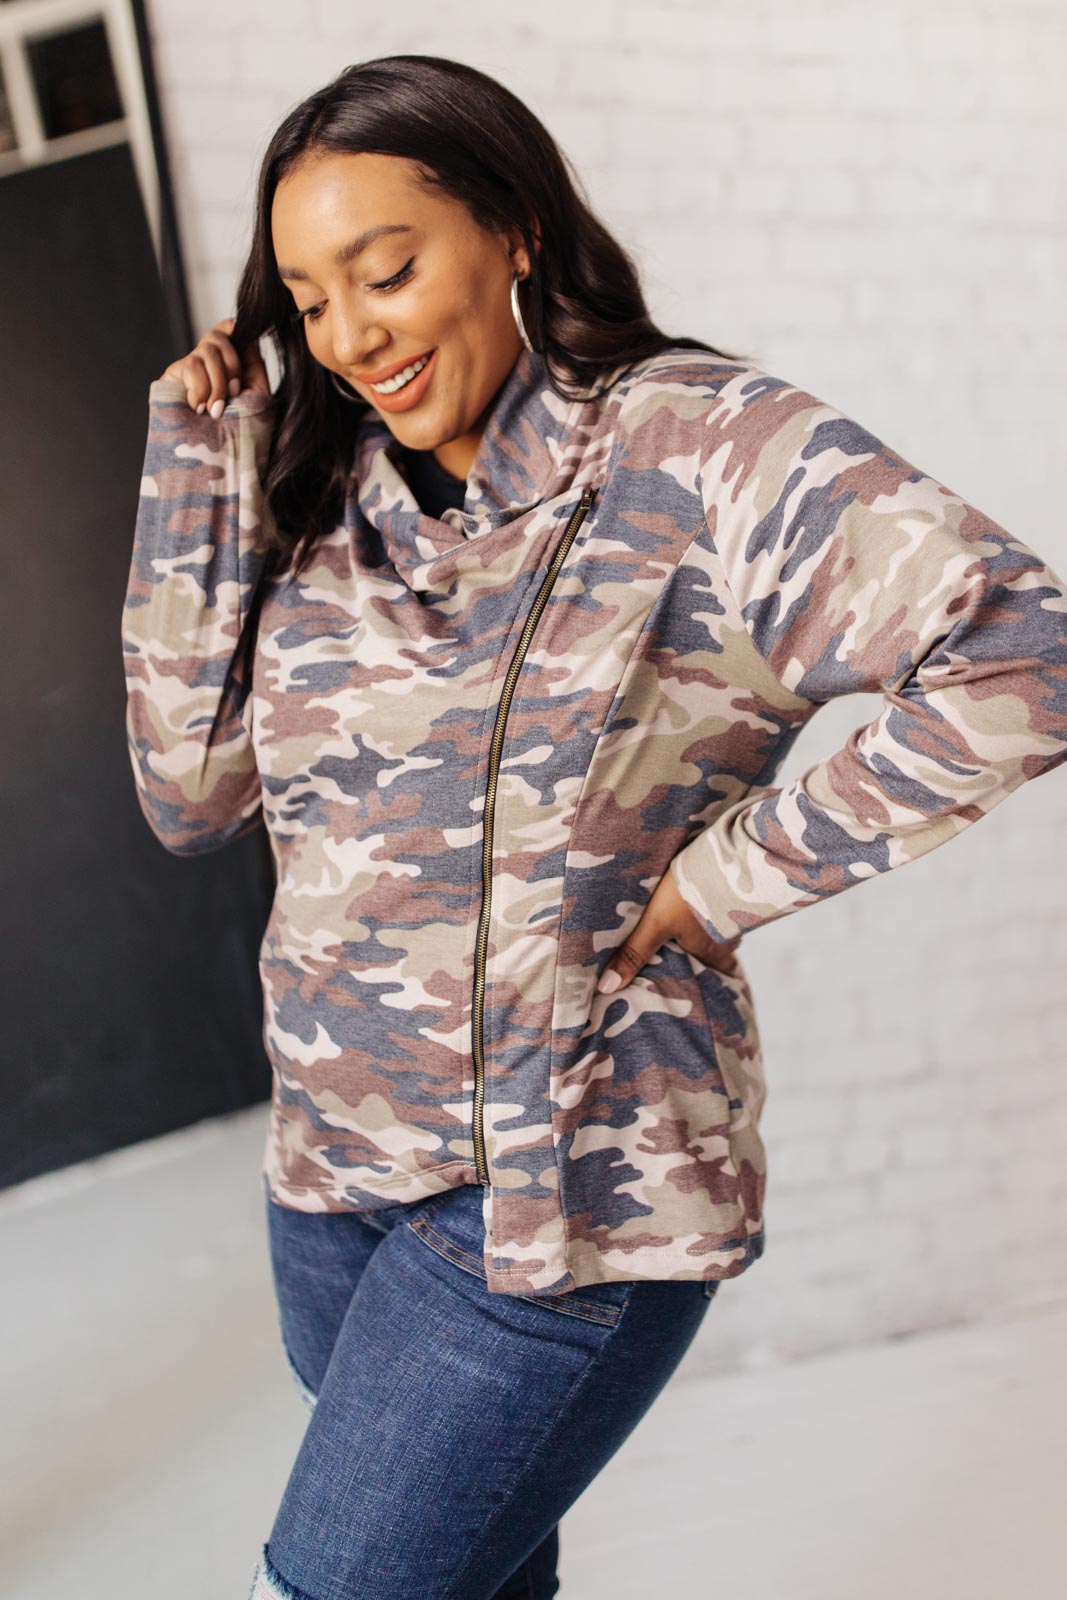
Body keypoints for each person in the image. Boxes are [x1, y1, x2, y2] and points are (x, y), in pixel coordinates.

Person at [120, 52, 1067, 1600]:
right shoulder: (320, 488)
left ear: (514, 229)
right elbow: (189, 793)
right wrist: (191, 474)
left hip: (561, 1194)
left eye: (387, 272)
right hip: (331, 1181)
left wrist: (721, 883)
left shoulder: (700, 447)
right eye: (309, 300)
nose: (350, 337)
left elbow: (1022, 654)